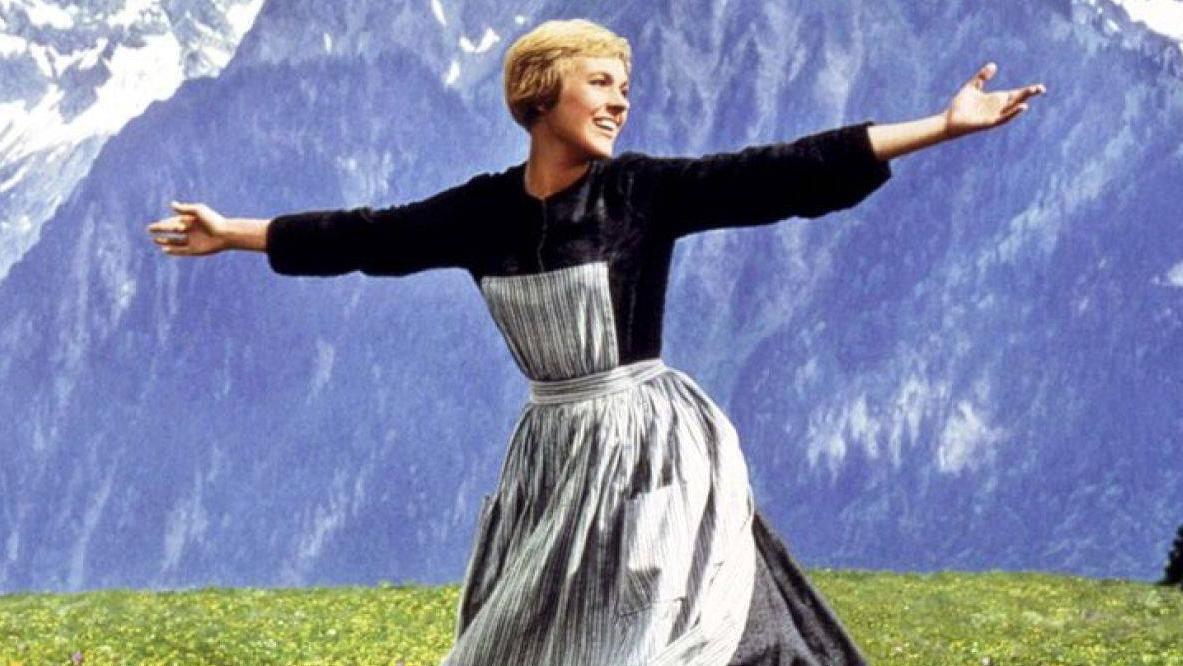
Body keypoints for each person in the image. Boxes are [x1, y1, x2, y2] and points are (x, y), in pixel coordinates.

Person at [147, 18, 1046, 665]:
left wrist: (939, 127)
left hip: (649, 446)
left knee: (670, 628)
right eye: (601, 84)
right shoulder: (482, 212)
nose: (619, 103)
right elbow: (365, 237)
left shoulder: (640, 192)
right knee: (523, 642)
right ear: (541, 94)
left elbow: (780, 174)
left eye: (623, 88)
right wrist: (234, 233)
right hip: (552, 455)